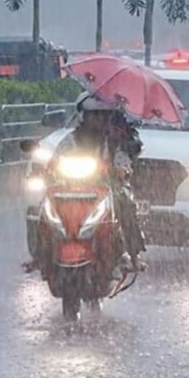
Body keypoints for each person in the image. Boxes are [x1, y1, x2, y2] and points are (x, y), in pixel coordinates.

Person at [57, 95, 147, 272]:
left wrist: (122, 169)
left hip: (106, 189)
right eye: (94, 115)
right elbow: (56, 159)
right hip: (70, 190)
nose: (99, 120)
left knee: (125, 203)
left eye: (104, 115)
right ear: (84, 117)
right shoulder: (70, 140)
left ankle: (132, 254)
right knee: (43, 209)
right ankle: (41, 255)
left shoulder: (113, 141)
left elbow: (123, 160)